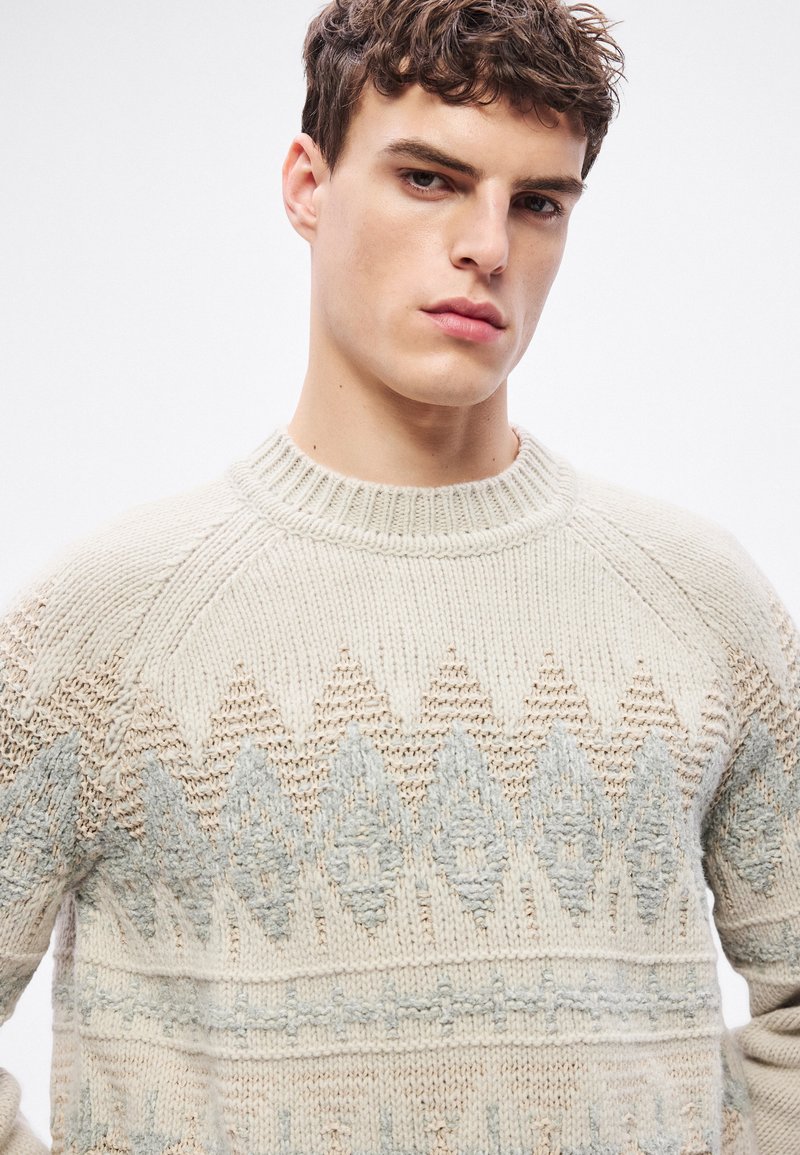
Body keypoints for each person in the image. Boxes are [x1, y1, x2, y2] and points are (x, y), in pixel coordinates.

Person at [0, 0, 797, 1152]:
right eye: (428, 179)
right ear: (306, 185)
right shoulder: (105, 624)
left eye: (538, 202)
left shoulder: (699, 600)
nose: (487, 246)